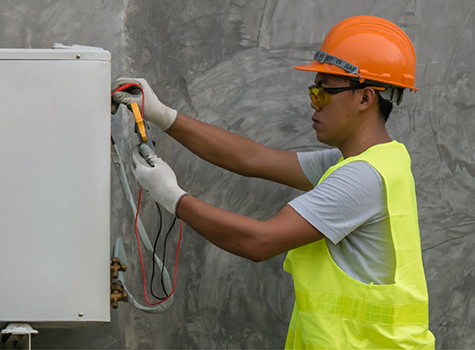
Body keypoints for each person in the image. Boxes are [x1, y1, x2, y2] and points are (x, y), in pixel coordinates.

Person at [111, 16, 435, 348]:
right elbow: (251, 158)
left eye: (324, 92)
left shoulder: (361, 177)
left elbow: (259, 242)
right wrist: (163, 115)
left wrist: (173, 198)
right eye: (314, 89)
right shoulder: (372, 162)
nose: (313, 100)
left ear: (366, 98)